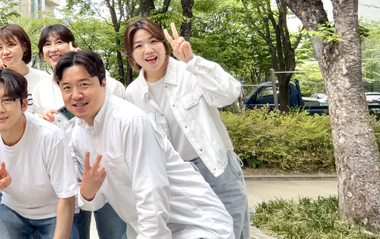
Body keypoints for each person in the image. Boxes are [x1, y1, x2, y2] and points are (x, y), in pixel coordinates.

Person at [55, 50, 234, 239]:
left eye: (84, 84)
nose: (76, 95)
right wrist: (87, 192)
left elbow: (152, 194)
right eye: (67, 88)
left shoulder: (130, 121)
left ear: (103, 83)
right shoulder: (79, 133)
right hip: (145, 228)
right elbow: (95, 202)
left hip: (196, 227)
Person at [123, 19, 249, 238]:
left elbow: (229, 94)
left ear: (164, 45)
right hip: (175, 178)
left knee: (232, 231)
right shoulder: (133, 93)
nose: (148, 49)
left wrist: (191, 60)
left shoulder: (190, 72)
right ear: (132, 55)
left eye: (153, 41)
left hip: (216, 168)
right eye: (139, 45)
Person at [33, 24, 128, 239]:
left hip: (104, 168)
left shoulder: (98, 78)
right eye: (47, 44)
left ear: (72, 45)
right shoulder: (41, 89)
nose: (53, 48)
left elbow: (116, 93)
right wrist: (43, 120)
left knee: (114, 233)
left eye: (59, 42)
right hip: (67, 176)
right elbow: (45, 130)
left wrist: (90, 66)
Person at [0, 69, 79, 239]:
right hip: (13, 209)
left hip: (54, 211)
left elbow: (67, 197)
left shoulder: (50, 137)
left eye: (7, 100)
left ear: (24, 105)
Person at [0, 24, 50, 110]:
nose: (5, 52)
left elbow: (63, 110)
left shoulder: (43, 78)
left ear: (24, 47)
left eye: (10, 45)